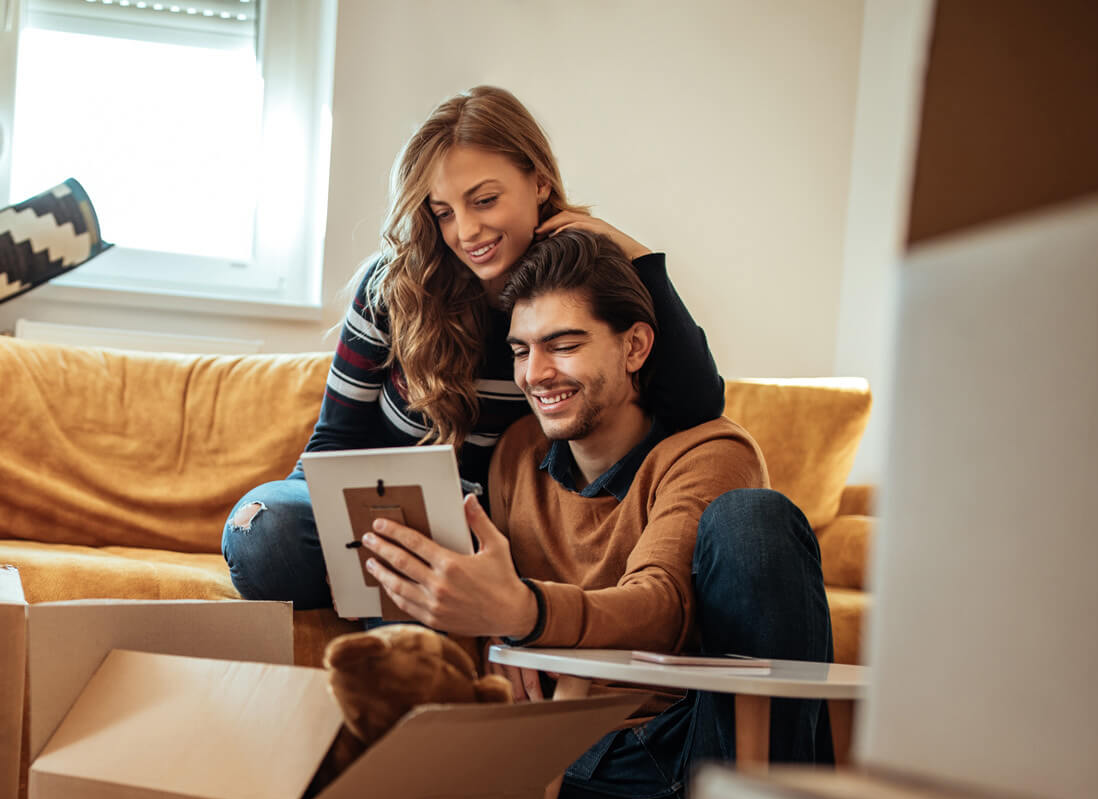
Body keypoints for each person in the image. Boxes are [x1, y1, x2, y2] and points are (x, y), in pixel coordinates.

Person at [356, 226, 835, 799]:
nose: (536, 373)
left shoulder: (707, 452)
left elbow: (659, 604)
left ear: (635, 346)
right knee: (402, 788)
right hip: (575, 764)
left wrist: (523, 613)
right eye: (522, 350)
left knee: (753, 520)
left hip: (696, 751)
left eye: (565, 344)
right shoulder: (516, 454)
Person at [221, 84, 724, 609]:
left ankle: (402, 593)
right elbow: (333, 443)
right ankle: (383, 581)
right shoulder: (395, 287)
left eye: (485, 200)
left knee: (423, 582)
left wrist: (634, 252)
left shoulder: (578, 289)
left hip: (499, 537)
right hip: (378, 512)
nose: (466, 231)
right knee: (263, 532)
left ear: (540, 182)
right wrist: (354, 529)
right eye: (442, 212)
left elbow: (697, 403)